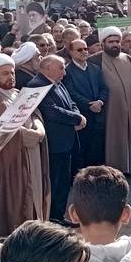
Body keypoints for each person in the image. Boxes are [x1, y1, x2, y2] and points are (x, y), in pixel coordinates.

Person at [0, 54, 49, 234]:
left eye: (12, 72)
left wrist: (39, 129)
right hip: (13, 164)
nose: (11, 77)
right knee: (18, 205)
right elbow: (8, 134)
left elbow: (34, 114)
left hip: (30, 156)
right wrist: (35, 134)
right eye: (5, 74)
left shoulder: (16, 93)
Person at [29, 54, 86, 224]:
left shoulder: (57, 83)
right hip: (54, 144)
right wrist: (76, 119)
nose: (65, 72)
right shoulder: (37, 85)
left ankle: (58, 216)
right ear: (47, 68)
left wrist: (78, 115)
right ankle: (51, 218)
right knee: (54, 182)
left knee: (63, 182)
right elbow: (51, 111)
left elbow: (70, 102)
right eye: (61, 68)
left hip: (66, 141)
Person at [92, 27, 131, 175]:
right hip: (108, 109)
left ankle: (129, 166)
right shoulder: (95, 60)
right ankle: (112, 170)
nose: (115, 44)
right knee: (111, 138)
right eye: (111, 42)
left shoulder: (128, 58)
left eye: (117, 41)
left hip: (129, 106)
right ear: (103, 43)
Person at [64, 38, 108, 170]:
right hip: (82, 116)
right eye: (79, 49)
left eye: (85, 49)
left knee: (97, 148)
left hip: (98, 115)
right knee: (82, 148)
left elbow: (104, 88)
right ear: (71, 52)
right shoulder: (67, 71)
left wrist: (100, 102)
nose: (84, 52)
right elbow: (71, 93)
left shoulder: (95, 68)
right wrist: (90, 104)